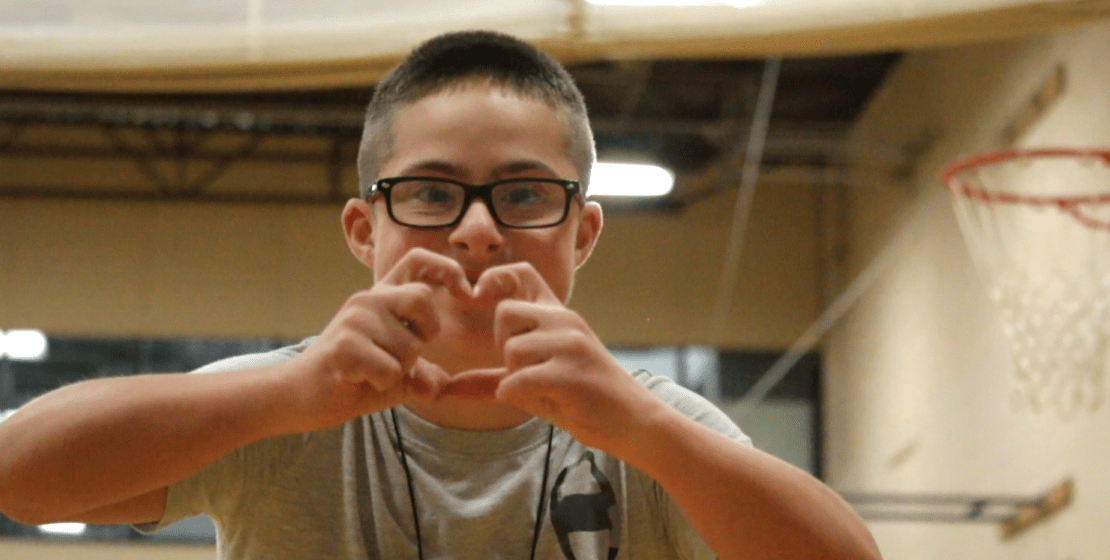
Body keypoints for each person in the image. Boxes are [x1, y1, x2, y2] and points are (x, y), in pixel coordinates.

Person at [0, 31, 881, 560]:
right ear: (363, 232)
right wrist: (282, 396)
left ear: (583, 233)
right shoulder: (282, 407)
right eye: (429, 193)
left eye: (525, 195)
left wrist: (643, 431)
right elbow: (18, 478)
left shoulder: (646, 424)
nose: (475, 231)